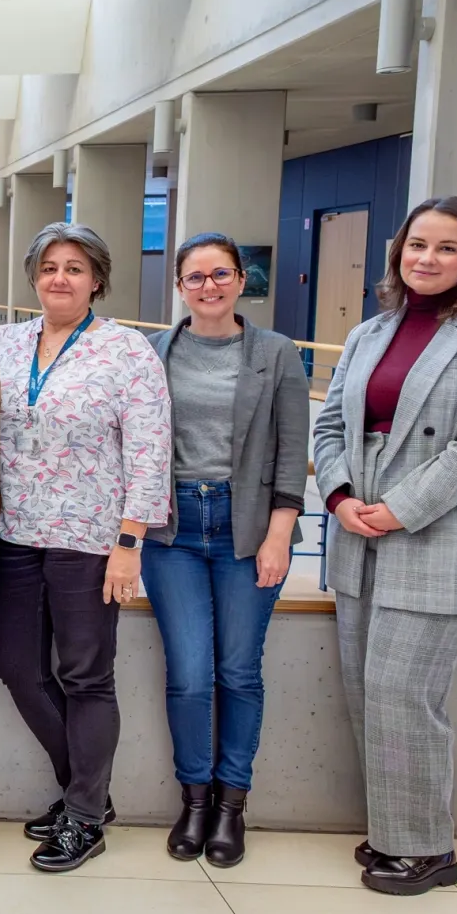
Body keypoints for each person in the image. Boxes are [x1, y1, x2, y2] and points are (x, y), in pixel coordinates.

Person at [313, 195, 457, 895]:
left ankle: (427, 850)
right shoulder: (371, 332)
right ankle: (392, 833)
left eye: (444, 248)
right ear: (397, 254)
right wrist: (344, 499)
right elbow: (327, 429)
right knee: (365, 693)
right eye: (416, 246)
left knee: (403, 692)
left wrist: (398, 510)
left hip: (441, 534)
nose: (426, 259)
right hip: (361, 533)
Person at [0, 223, 171, 873]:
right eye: (49, 267)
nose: (60, 278)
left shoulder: (126, 352)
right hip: (14, 534)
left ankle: (85, 815)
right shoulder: (3, 343)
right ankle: (86, 791)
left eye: (75, 268)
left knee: (86, 676)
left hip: (90, 540)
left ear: (97, 279)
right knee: (15, 665)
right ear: (34, 276)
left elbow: (150, 454)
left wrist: (130, 542)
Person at [141, 232, 310, 868]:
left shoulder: (276, 353)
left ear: (241, 281)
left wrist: (277, 534)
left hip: (246, 528)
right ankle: (194, 798)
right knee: (189, 675)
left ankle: (232, 804)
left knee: (239, 672)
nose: (208, 286)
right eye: (195, 277)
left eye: (221, 275)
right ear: (179, 286)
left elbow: (293, 449)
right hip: (173, 530)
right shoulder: (154, 352)